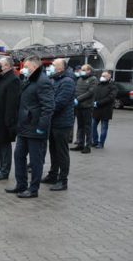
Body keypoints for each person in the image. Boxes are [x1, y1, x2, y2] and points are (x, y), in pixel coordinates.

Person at [6, 55, 54, 198]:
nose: (24, 69)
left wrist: (42, 127)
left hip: (35, 128)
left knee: (35, 161)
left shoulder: (43, 81)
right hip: (24, 127)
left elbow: (48, 107)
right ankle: (21, 185)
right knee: (19, 155)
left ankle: (33, 190)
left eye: (26, 67)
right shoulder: (29, 80)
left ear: (34, 67)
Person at [41, 59, 75, 191]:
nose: (50, 67)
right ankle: (53, 175)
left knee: (62, 152)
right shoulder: (54, 79)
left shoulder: (67, 81)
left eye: (53, 65)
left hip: (62, 122)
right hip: (53, 121)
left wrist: (46, 109)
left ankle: (63, 180)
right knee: (53, 150)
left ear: (60, 68)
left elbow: (60, 102)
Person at [0, 57, 20, 181]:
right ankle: (1, 167)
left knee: (4, 145)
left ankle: (5, 170)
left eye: (0, 64)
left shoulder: (13, 80)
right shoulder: (1, 78)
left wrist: (9, 122)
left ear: (7, 66)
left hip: (4, 120)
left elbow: (12, 103)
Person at [71, 64, 97, 154]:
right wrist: (74, 98)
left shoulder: (93, 79)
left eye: (83, 69)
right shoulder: (80, 79)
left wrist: (77, 99)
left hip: (87, 107)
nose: (81, 71)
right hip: (79, 107)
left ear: (89, 70)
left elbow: (90, 92)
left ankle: (88, 146)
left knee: (87, 127)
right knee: (80, 126)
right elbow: (76, 90)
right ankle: (80, 144)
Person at [92, 70, 117, 149]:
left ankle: (101, 143)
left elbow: (110, 98)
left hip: (106, 110)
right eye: (102, 75)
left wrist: (98, 103)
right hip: (96, 110)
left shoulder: (113, 86)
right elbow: (94, 94)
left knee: (104, 128)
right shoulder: (98, 84)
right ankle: (95, 141)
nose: (102, 77)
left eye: (104, 76)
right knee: (93, 126)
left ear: (109, 77)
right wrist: (93, 102)